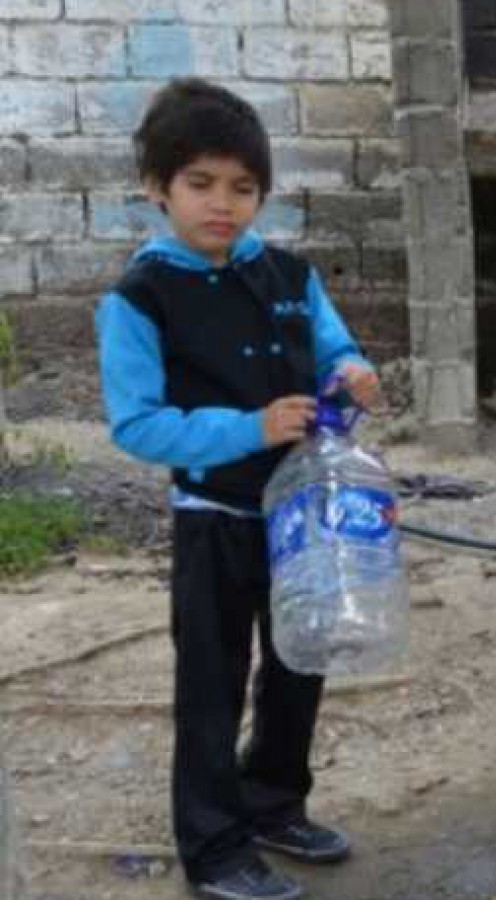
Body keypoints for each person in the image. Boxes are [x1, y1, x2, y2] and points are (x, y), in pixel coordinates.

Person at [96, 79, 381, 900]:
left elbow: (333, 347)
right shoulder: (139, 299)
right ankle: (215, 846)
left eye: (243, 189)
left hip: (302, 513)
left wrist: (351, 371)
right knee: (212, 682)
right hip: (215, 517)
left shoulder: (289, 273)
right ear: (157, 187)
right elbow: (138, 425)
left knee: (302, 656)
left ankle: (274, 801)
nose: (223, 205)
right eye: (200, 184)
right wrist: (249, 428)